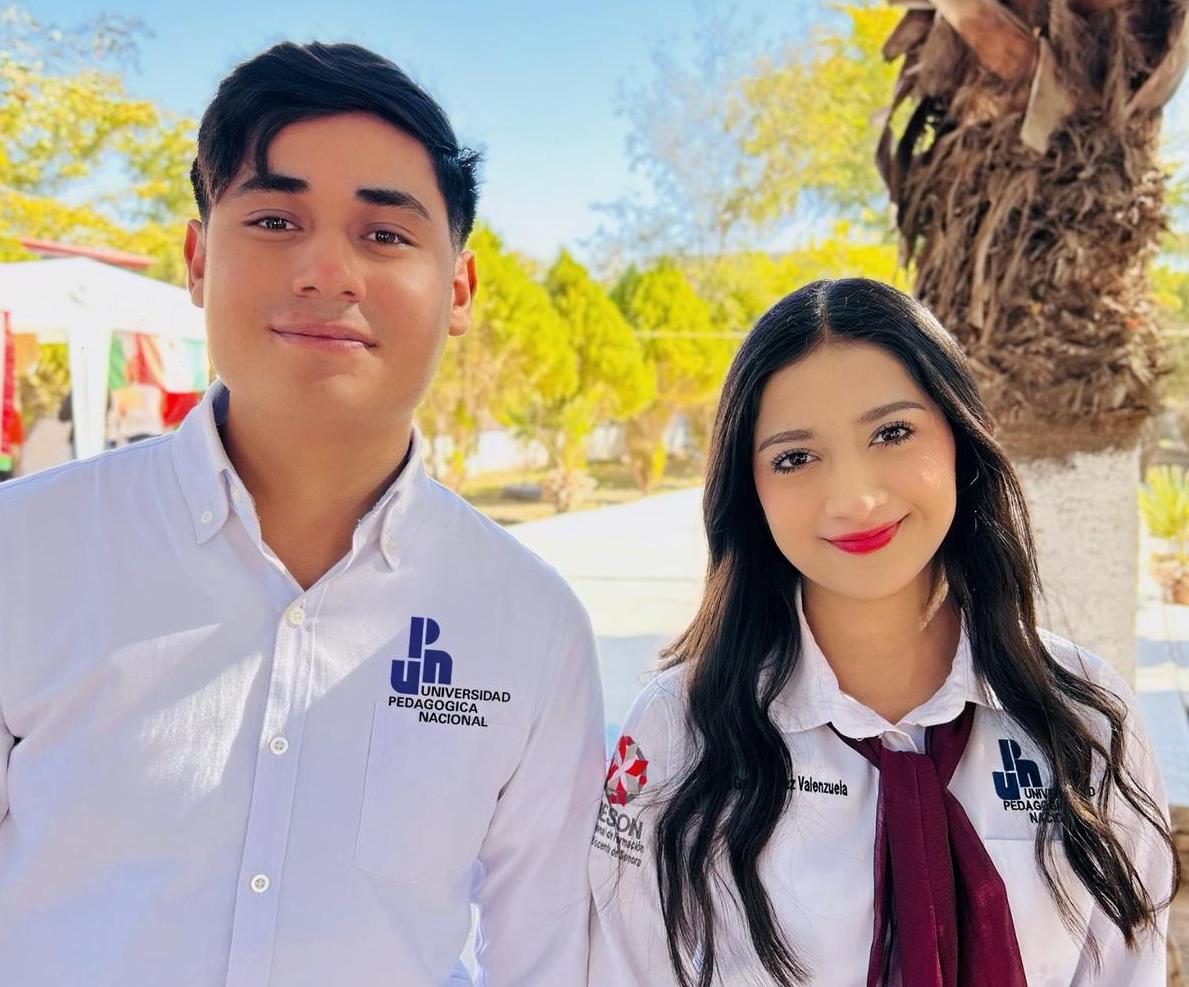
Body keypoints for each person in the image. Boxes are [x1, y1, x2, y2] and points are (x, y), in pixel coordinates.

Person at [0, 42, 605, 987]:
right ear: (198, 259)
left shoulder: (530, 623)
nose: (327, 272)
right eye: (276, 219)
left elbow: (549, 956)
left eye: (385, 234)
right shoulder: (24, 553)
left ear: (458, 289)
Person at [589, 278, 1178, 986]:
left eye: (892, 433)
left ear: (958, 438)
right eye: (794, 457)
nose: (855, 498)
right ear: (750, 491)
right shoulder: (677, 732)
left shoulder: (1084, 716)